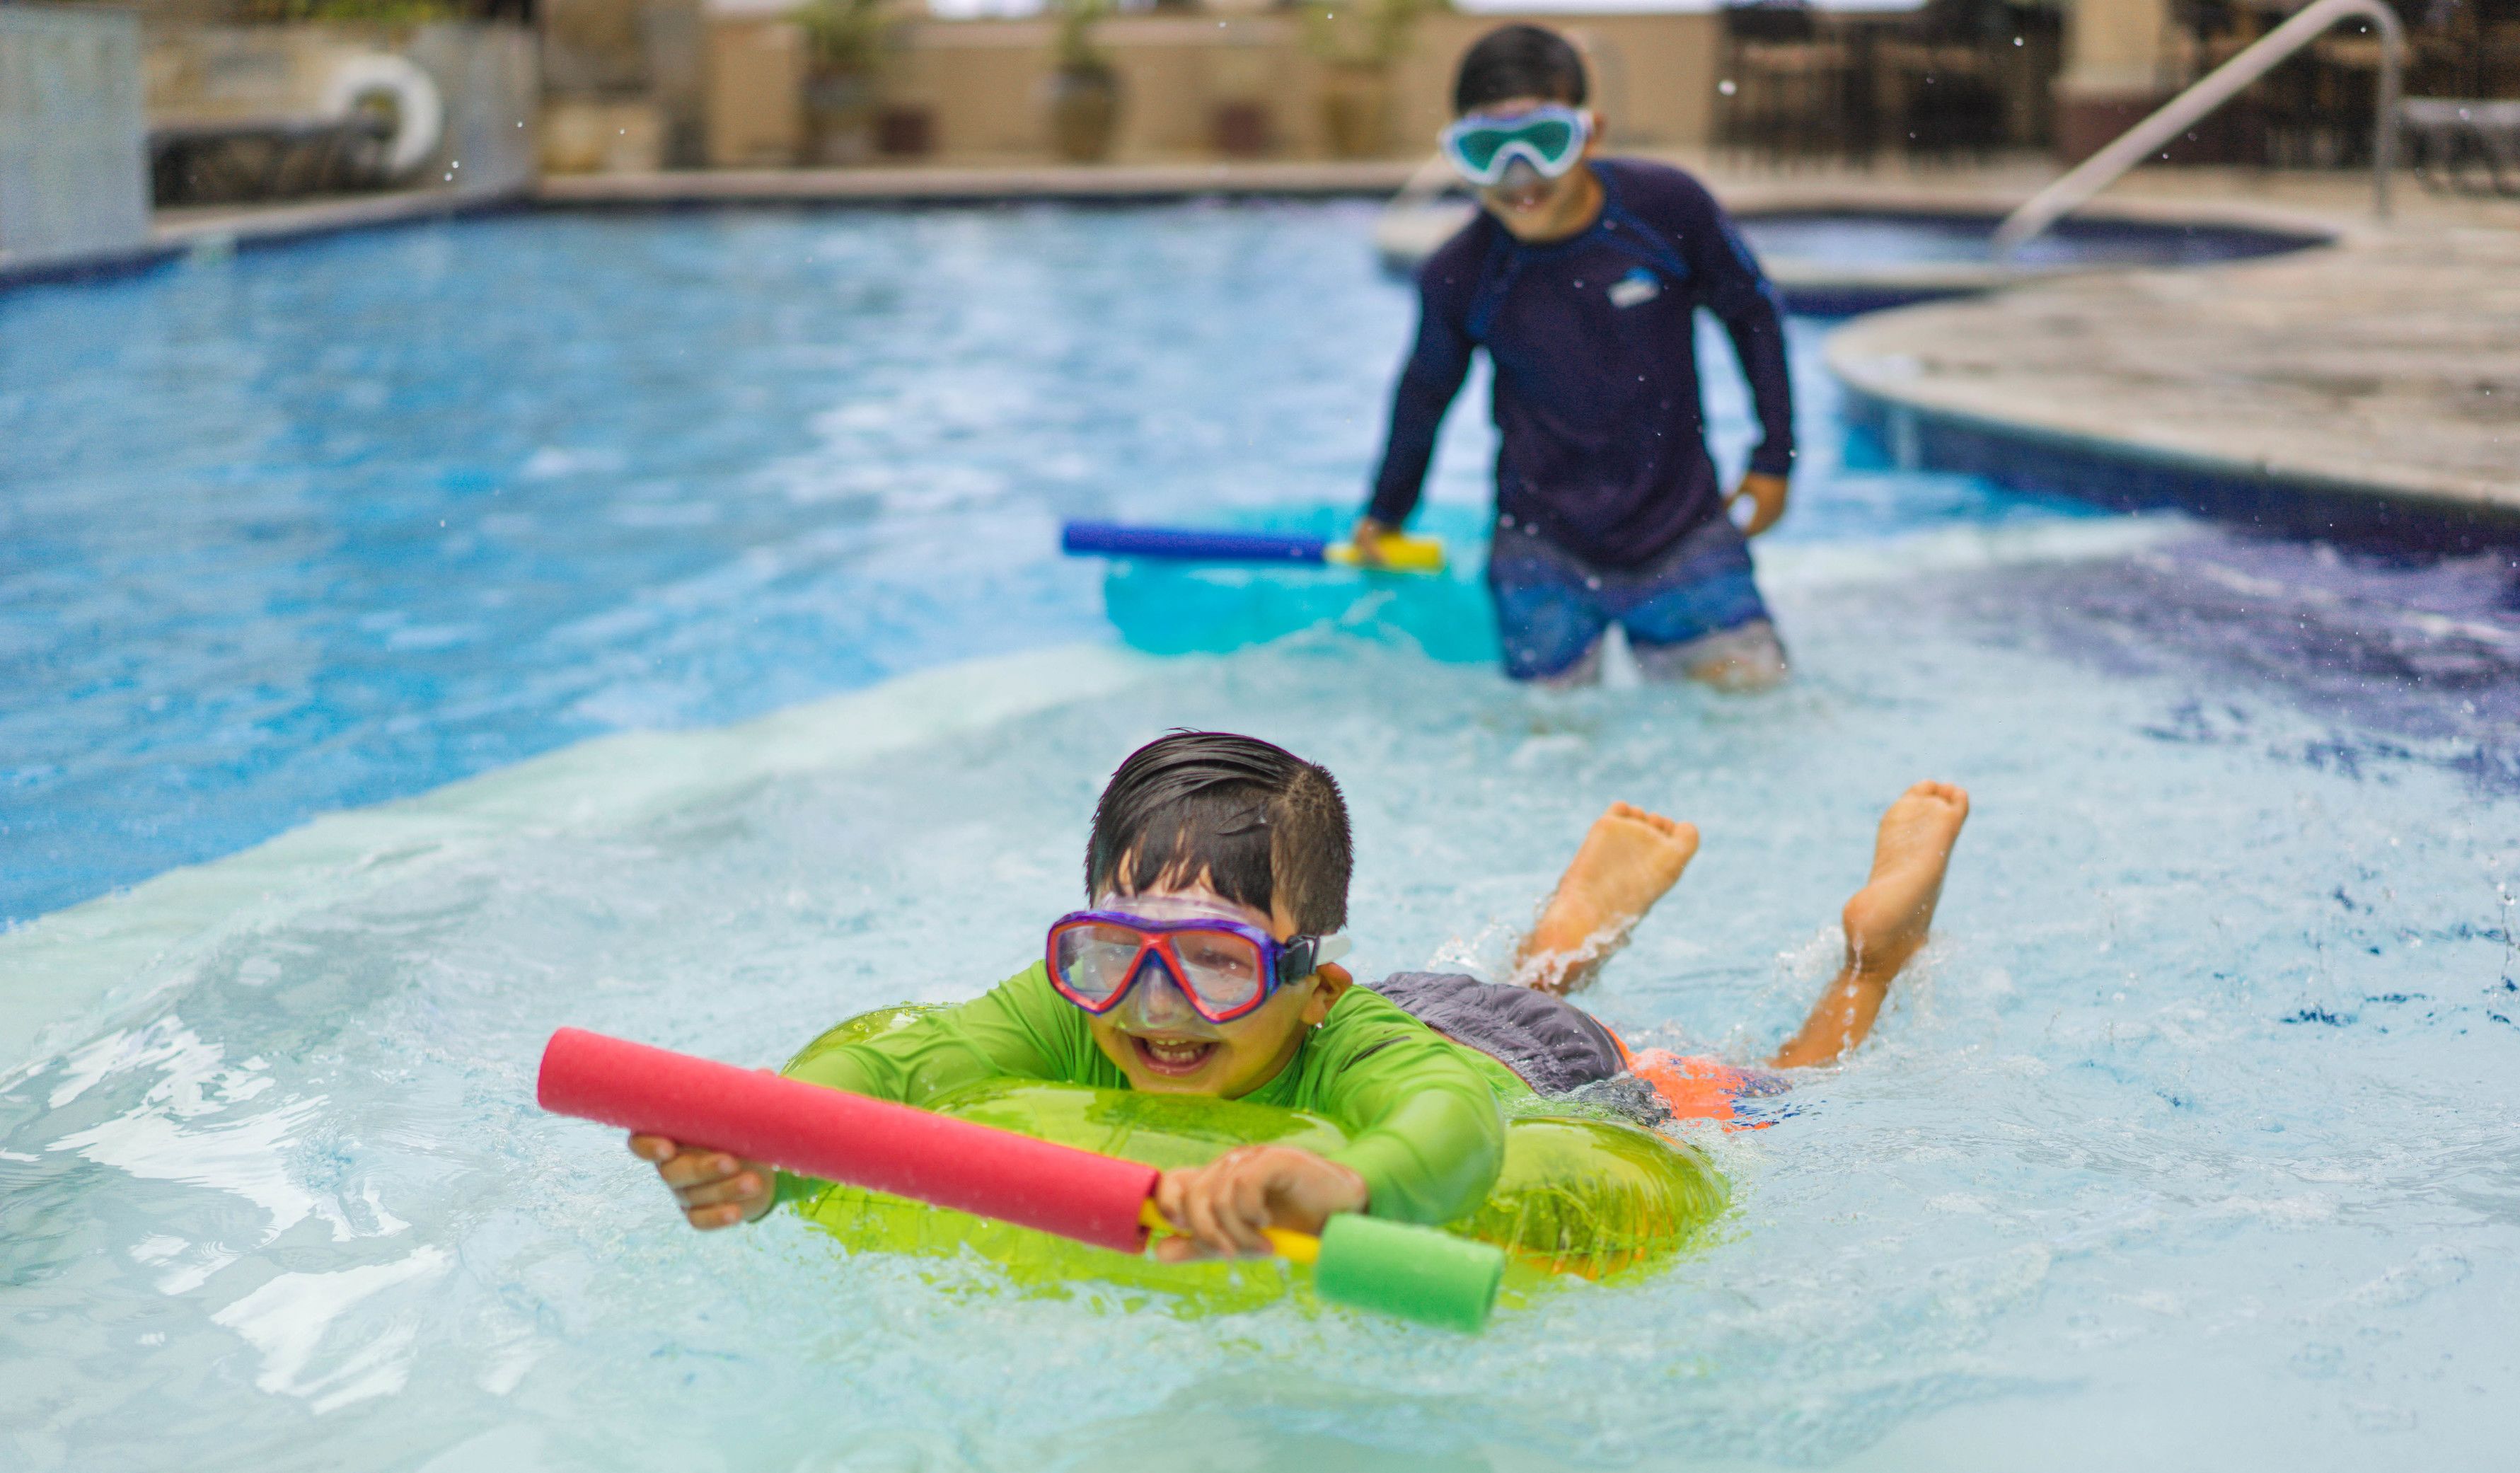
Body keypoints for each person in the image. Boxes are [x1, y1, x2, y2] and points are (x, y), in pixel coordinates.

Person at [633, 732, 1968, 1257]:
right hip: (1408, 997)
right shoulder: (1088, 1003)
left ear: (1301, 975)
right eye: (1115, 950)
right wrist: (776, 1152)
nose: (1154, 1005)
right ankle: (1575, 920)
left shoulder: (1357, 1036)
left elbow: (1454, 1122)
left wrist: (1348, 1187)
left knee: (1782, 1097)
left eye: (1210, 961)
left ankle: (1871, 955)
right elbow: (902, 1061)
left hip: (1529, 1064)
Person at [1351, 25, 1798, 692]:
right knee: (1552, 742)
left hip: (1683, 530)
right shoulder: (1462, 272)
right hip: (1541, 549)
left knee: (1759, 715)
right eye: (1487, 151)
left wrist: (1773, 457)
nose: (1519, 175)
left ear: (1591, 134)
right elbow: (1424, 393)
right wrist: (1387, 514)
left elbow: (1752, 314)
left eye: (1544, 141)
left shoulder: (1667, 210)